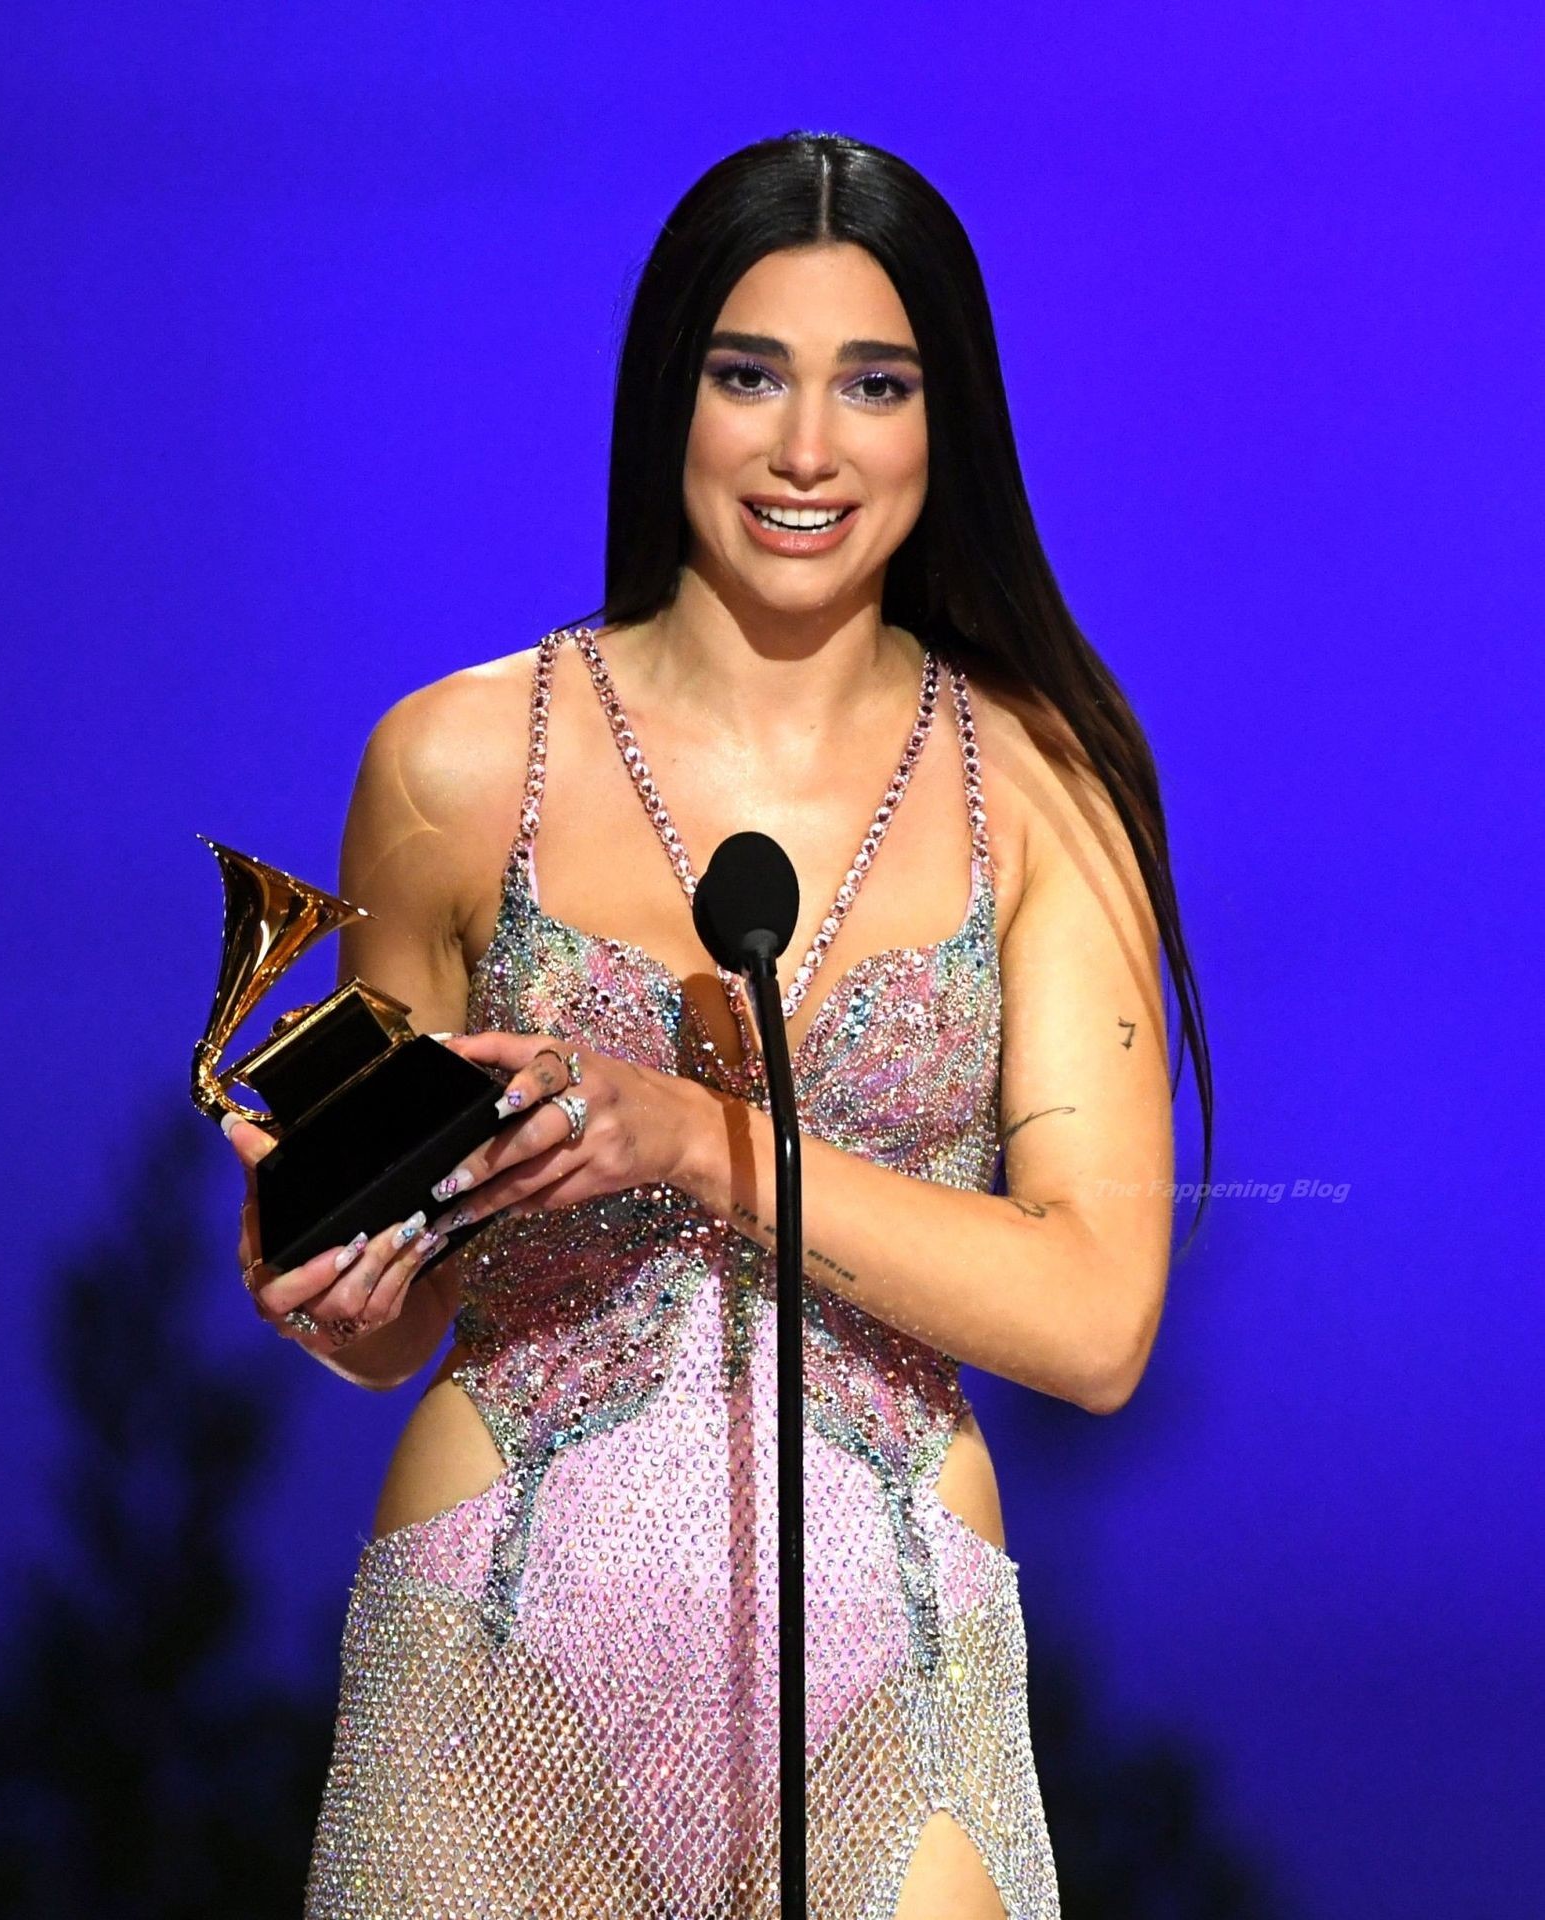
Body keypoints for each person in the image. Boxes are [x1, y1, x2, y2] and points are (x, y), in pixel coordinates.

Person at [226, 131, 1211, 1920]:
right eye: (749, 374)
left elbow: (1095, 1320)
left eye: (875, 384)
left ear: (948, 422)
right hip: (496, 1657)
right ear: (665, 393)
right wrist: (338, 1292)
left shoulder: (1039, 792)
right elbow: (401, 1302)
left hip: (895, 1674)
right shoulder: (455, 766)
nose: (806, 448)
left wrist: (702, 1140)